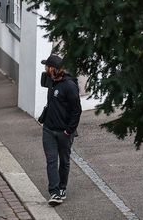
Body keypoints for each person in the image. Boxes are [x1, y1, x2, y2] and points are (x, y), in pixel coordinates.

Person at [39, 54, 82, 205]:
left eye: (47, 66)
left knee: (64, 161)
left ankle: (62, 187)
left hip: (64, 132)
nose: (44, 69)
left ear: (53, 69)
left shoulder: (69, 86)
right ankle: (55, 192)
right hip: (49, 129)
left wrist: (69, 131)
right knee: (51, 161)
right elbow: (43, 82)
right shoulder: (51, 80)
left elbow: (77, 110)